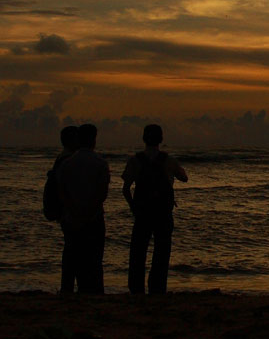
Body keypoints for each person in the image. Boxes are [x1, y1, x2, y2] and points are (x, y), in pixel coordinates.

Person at [123, 124, 188, 294]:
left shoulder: (135, 160)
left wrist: (132, 207)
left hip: (142, 212)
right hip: (163, 213)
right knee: (162, 251)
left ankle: (136, 287)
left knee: (138, 252)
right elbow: (184, 178)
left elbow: (126, 188)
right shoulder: (169, 160)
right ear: (161, 139)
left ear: (144, 139)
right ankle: (157, 287)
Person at [57, 123, 110, 294]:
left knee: (72, 254)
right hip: (94, 216)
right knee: (94, 258)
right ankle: (94, 290)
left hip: (72, 217)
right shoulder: (100, 163)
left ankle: (69, 289)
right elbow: (102, 193)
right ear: (94, 140)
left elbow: (62, 192)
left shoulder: (67, 163)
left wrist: (74, 211)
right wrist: (90, 212)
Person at [49, 125, 79, 294]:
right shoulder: (67, 160)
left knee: (71, 248)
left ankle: (67, 286)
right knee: (73, 250)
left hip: (65, 211)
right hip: (69, 212)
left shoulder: (62, 158)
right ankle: (67, 287)